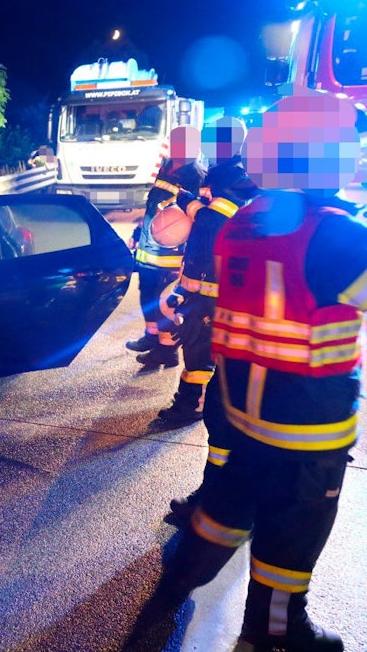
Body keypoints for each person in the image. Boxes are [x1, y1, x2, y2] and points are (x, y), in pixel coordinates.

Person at [130, 92, 367, 652]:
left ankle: (171, 589)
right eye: (347, 146)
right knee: (295, 528)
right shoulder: (337, 235)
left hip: (244, 411)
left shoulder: (244, 220)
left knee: (227, 509)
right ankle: (275, 628)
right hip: (308, 423)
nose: (356, 156)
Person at [151, 117, 259, 445]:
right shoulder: (217, 174)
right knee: (193, 342)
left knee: (200, 347)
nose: (208, 147)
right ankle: (193, 401)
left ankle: (190, 405)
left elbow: (213, 222)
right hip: (199, 278)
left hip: (214, 284)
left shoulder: (237, 179)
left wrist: (187, 202)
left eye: (213, 140)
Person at [126, 125, 206, 368]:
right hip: (149, 248)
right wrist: (138, 232)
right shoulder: (166, 165)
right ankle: (151, 337)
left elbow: (193, 217)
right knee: (146, 293)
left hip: (172, 253)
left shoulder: (196, 176)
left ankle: (167, 351)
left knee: (164, 303)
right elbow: (154, 206)